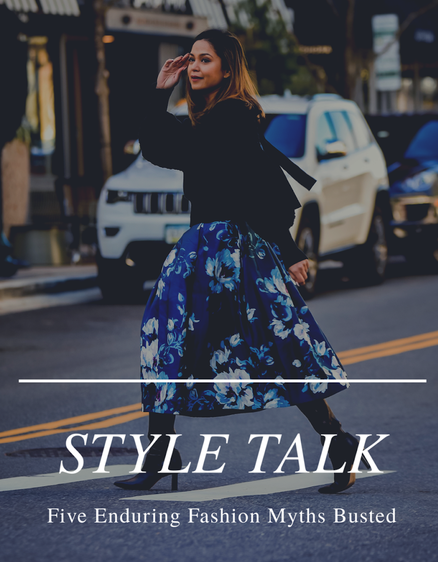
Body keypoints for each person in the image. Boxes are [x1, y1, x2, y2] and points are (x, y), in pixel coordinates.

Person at [114, 30, 368, 495]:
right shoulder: (212, 117)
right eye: (191, 59)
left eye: (204, 61)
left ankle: (339, 443)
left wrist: (287, 252)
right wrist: (160, 93)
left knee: (272, 349)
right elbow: (164, 151)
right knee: (172, 340)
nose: (193, 67)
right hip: (203, 248)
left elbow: (245, 185)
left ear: (226, 70)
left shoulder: (231, 115)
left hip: (231, 249)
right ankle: (159, 455)